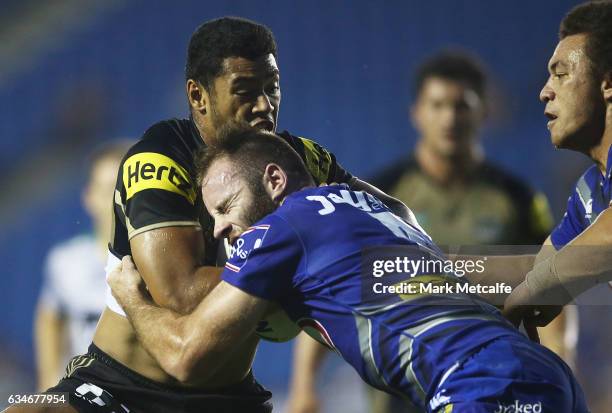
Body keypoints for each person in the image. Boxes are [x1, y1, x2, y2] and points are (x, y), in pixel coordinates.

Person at [23, 17, 411, 413]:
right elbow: (182, 295)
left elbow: (398, 218)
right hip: (120, 387)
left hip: (228, 396)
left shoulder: (297, 160)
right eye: (244, 90)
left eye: (272, 88)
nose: (264, 106)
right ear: (198, 96)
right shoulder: (159, 159)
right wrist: (312, 274)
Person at [108, 127, 589, 413]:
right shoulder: (375, 212)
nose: (219, 229)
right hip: (543, 376)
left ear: (274, 180)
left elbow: (185, 357)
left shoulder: (281, 228)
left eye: (225, 207)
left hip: (479, 386)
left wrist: (131, 295)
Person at [286, 51, 572, 413]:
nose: (449, 118)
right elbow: (334, 285)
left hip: (490, 386)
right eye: (437, 105)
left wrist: (561, 358)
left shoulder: (518, 199)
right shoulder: (379, 196)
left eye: (461, 105)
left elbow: (552, 281)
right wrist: (303, 388)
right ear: (416, 113)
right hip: (399, 395)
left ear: (483, 111)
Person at [504, 0, 612, 328]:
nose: (544, 92)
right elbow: (539, 267)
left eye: (561, 74)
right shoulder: (590, 193)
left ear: (608, 83)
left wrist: (540, 286)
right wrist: (414, 273)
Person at [34, 141, 131, 391]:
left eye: (123, 189)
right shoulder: (66, 261)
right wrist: (48, 382)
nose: (115, 200)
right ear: (88, 198)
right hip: (83, 395)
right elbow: (49, 316)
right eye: (107, 189)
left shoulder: (160, 263)